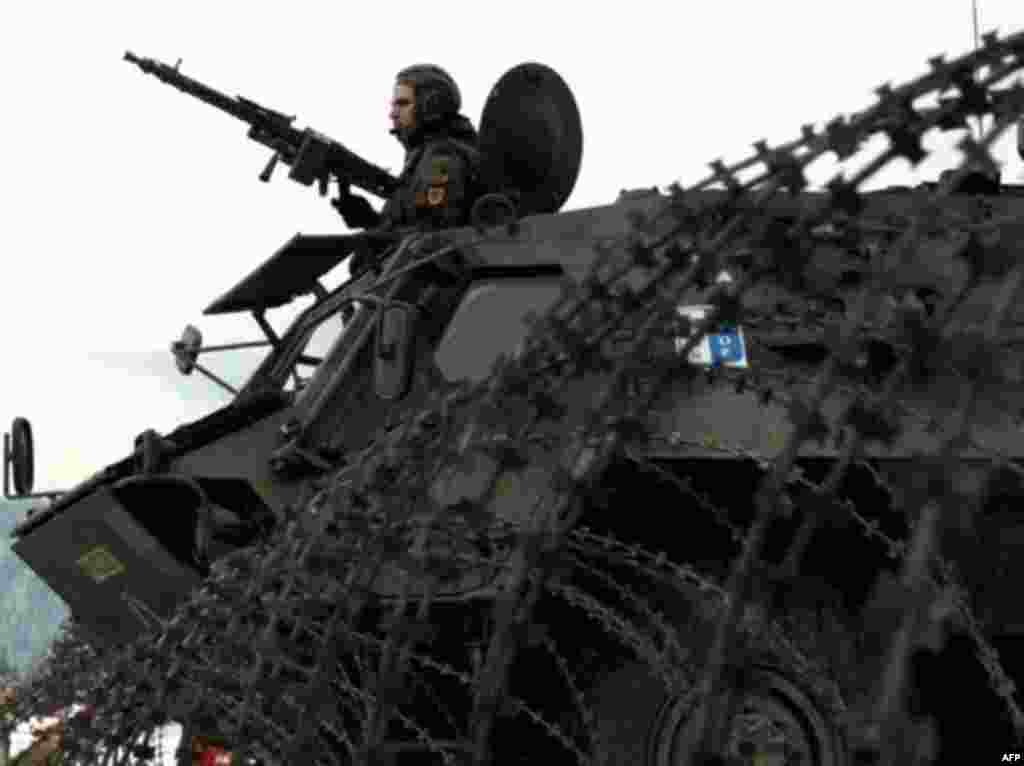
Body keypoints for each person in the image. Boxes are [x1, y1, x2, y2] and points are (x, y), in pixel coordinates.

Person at [332, 64, 482, 241]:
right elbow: (414, 227)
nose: (393, 114)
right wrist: (370, 220)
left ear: (430, 105)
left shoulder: (442, 157)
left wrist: (376, 234)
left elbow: (431, 235)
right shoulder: (426, 155)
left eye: (402, 104)